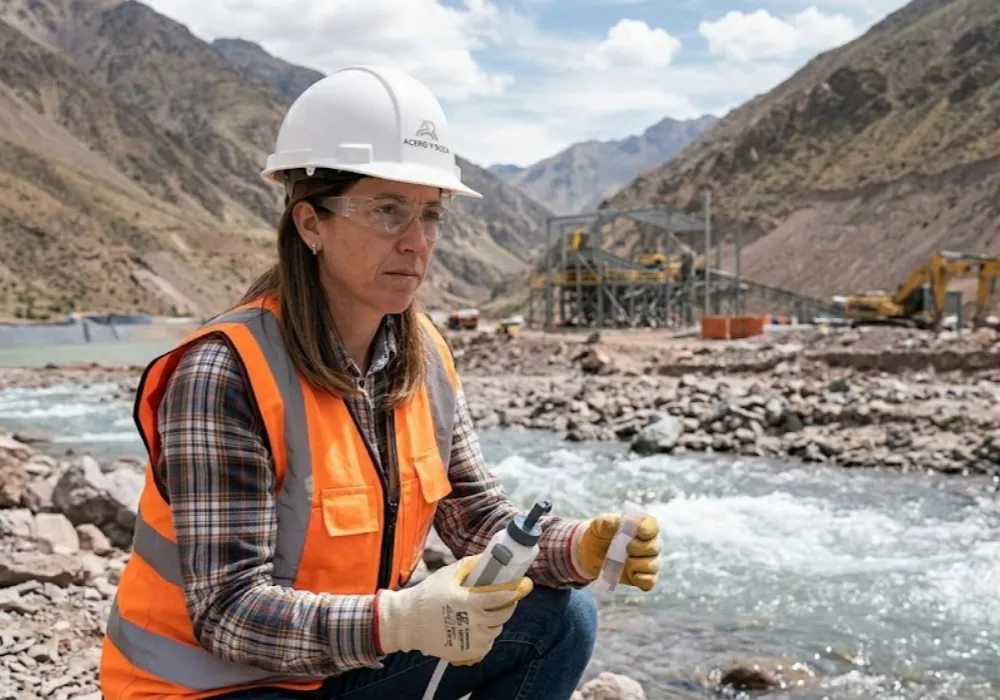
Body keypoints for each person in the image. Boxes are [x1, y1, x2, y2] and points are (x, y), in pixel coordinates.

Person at [99, 64, 661, 700]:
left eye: (430, 215)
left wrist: (581, 547)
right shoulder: (224, 373)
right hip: (211, 688)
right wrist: (397, 621)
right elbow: (228, 613)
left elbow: (477, 521)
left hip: (338, 666)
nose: (417, 242)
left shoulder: (423, 357)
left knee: (561, 616)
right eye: (388, 211)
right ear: (310, 223)